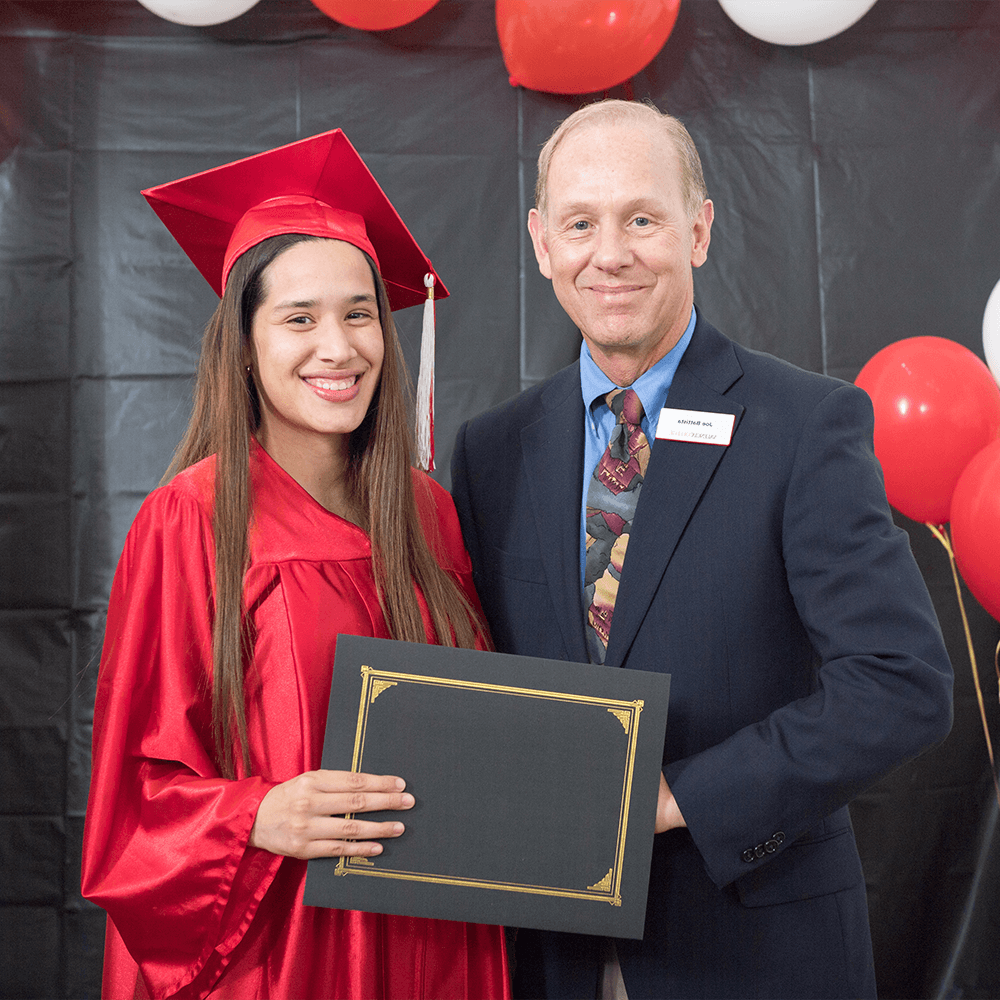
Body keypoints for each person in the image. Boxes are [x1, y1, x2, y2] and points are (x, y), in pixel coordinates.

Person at [450, 99, 953, 1000]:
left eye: (642, 218)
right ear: (540, 243)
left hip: (756, 945)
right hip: (549, 950)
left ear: (699, 229)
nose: (610, 253)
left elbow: (901, 681)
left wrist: (673, 802)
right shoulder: (492, 453)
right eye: (580, 223)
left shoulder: (805, 424)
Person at [81, 130, 510, 1000]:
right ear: (243, 344)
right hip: (281, 946)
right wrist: (254, 817)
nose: (339, 347)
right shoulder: (192, 520)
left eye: (359, 313)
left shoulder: (429, 515)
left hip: (434, 936)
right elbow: (134, 796)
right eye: (299, 318)